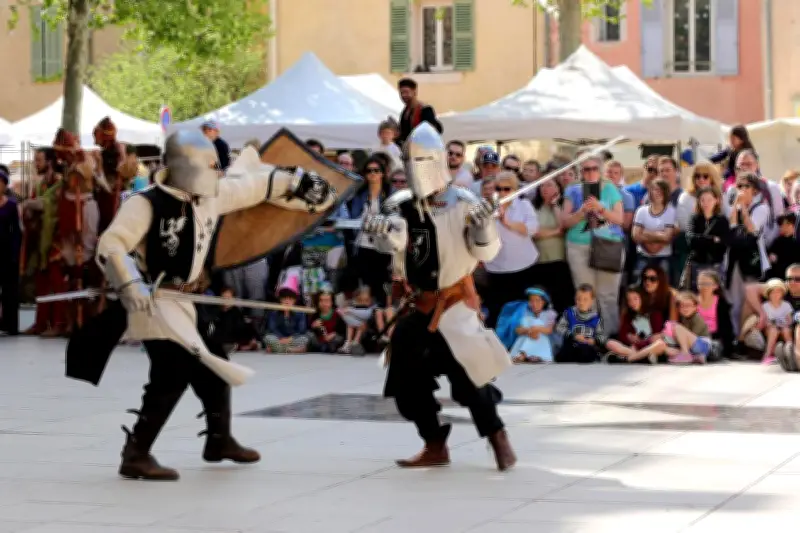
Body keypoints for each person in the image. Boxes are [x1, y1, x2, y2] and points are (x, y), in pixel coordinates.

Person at [81, 130, 334, 481]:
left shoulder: (209, 198)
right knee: (171, 373)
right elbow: (112, 244)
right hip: (156, 300)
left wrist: (293, 181)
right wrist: (130, 282)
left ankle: (219, 440)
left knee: (215, 364)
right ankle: (136, 453)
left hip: (187, 299)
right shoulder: (145, 202)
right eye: (210, 167)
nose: (216, 174)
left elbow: (254, 187)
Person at [361, 122, 515, 471]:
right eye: (410, 160)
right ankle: (434, 443)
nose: (416, 169)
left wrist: (484, 225)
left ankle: (497, 437)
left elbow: (487, 253)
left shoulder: (463, 203)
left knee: (471, 381)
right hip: (418, 307)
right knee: (403, 385)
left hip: (455, 306)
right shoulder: (399, 205)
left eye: (422, 160)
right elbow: (398, 249)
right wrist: (384, 235)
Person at [554, 284, 607, 363]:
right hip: (572, 345)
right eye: (578, 299)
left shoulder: (596, 318)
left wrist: (594, 341)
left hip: (587, 348)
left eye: (585, 299)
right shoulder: (569, 313)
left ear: (592, 301)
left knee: (586, 352)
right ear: (575, 299)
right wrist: (573, 335)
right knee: (563, 354)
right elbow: (559, 327)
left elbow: (602, 336)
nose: (581, 302)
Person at [0, 169, 21, 336]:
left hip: (7, 253)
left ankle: (10, 325)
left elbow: (16, 232)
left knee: (10, 291)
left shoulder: (12, 205)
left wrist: (15, 253)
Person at [396, 78, 442, 146]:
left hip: (423, 150)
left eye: (406, 92)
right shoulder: (404, 112)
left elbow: (431, 131)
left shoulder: (425, 109)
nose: (403, 95)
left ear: (414, 92)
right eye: (401, 93)